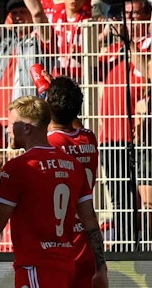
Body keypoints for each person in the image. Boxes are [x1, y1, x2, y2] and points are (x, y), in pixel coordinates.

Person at [0, 95, 105, 288]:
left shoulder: (19, 167)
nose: (8, 129)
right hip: (67, 266)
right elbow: (90, 220)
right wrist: (101, 267)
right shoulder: (73, 165)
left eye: (11, 124)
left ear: (26, 128)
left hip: (36, 266)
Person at [44, 77, 104, 287]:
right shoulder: (89, 138)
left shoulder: (50, 144)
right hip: (85, 239)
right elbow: (73, 124)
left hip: (59, 241)